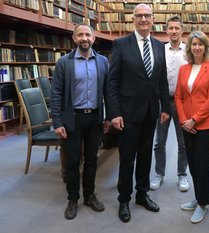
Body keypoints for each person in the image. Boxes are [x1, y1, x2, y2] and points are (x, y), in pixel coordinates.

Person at [106, 3, 170, 223]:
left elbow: (161, 80)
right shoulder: (121, 44)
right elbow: (112, 82)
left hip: (151, 112)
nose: (144, 19)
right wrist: (114, 113)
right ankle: (124, 199)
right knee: (127, 157)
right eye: (139, 16)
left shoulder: (159, 46)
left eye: (147, 16)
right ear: (133, 19)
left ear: (153, 19)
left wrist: (165, 108)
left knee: (145, 155)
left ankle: (142, 194)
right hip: (127, 114)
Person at [51, 24, 110, 220]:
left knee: (92, 159)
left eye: (88, 35)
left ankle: (89, 196)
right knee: (73, 161)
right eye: (80, 35)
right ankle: (73, 198)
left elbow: (108, 93)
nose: (84, 38)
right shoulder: (64, 63)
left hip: (94, 118)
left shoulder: (102, 62)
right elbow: (56, 94)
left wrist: (108, 116)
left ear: (93, 39)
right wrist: (57, 122)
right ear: (74, 38)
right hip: (72, 118)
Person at [174, 31, 209, 224]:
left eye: (201, 44)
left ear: (206, 47)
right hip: (187, 125)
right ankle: (198, 197)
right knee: (192, 165)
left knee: (202, 166)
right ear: (190, 47)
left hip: (205, 126)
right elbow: (178, 96)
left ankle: (203, 204)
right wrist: (185, 120)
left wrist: (194, 119)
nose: (197, 47)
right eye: (194, 44)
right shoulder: (184, 69)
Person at [150, 15, 189, 192]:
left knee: (183, 143)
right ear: (167, 31)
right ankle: (159, 174)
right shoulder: (159, 50)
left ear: (182, 30)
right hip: (162, 102)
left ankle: (182, 175)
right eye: (171, 28)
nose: (174, 31)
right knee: (160, 141)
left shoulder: (189, 50)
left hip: (182, 103)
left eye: (177, 28)